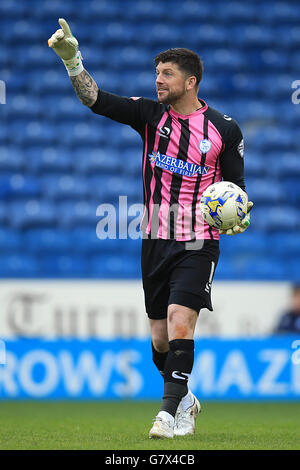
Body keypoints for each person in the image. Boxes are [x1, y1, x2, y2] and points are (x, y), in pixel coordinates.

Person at [48, 19, 253, 439]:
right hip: (155, 237)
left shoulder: (224, 130)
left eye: (167, 74)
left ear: (190, 81)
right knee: (160, 341)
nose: (158, 80)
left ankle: (164, 415)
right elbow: (97, 100)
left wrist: (238, 216)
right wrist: (73, 62)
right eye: (156, 73)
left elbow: (237, 190)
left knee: (181, 323)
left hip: (198, 239)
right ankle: (186, 398)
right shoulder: (149, 114)